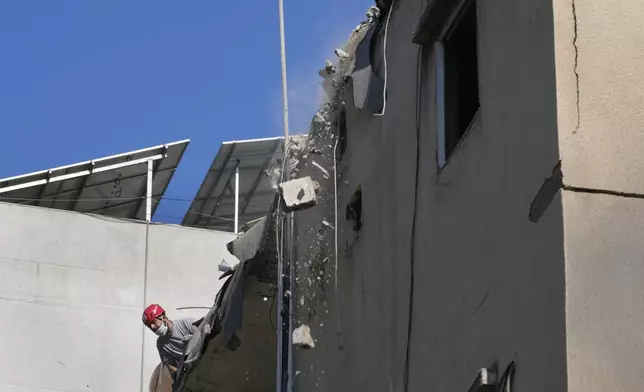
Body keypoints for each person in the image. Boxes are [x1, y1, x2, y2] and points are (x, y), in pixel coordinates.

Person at [142, 304, 198, 380]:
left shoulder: (187, 324)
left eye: (153, 322)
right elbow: (171, 365)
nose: (152, 327)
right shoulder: (161, 344)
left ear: (163, 317)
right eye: (149, 326)